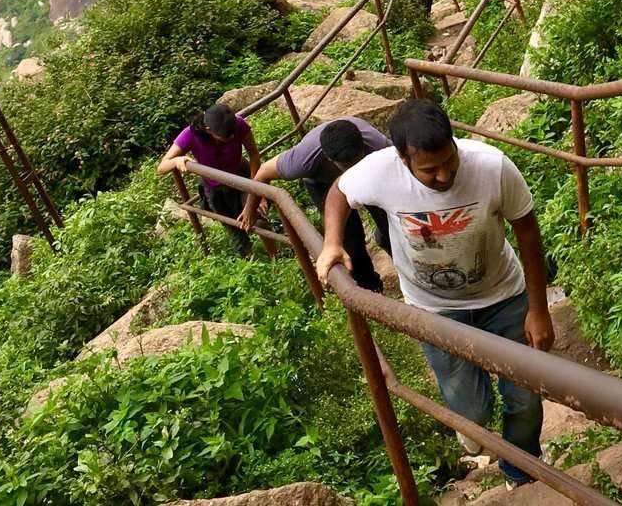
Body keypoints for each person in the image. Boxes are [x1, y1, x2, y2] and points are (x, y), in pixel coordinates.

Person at [316, 98, 553, 490]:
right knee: (471, 409)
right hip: (435, 309)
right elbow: (339, 192)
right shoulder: (380, 171)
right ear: (403, 159)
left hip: (504, 297)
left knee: (525, 399)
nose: (444, 176)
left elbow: (526, 228)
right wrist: (332, 242)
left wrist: (538, 309)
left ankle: (519, 471)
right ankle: (474, 428)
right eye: (430, 170)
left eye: (450, 162)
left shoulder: (491, 166)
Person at [238, 117, 392, 293]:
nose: (352, 171)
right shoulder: (302, 160)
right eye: (346, 166)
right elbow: (263, 173)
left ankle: (404, 264)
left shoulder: (379, 146)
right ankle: (369, 287)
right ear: (329, 158)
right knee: (350, 239)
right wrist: (250, 209)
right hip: (321, 182)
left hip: (372, 173)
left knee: (390, 223)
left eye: (357, 161)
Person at [158, 103, 277, 259]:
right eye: (227, 136)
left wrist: (257, 191)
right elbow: (161, 167)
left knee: (258, 217)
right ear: (209, 130)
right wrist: (177, 161)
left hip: (242, 178)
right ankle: (249, 261)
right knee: (234, 230)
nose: (233, 137)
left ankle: (275, 258)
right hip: (215, 188)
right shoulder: (190, 135)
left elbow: (254, 156)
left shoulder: (238, 124)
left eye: (233, 133)